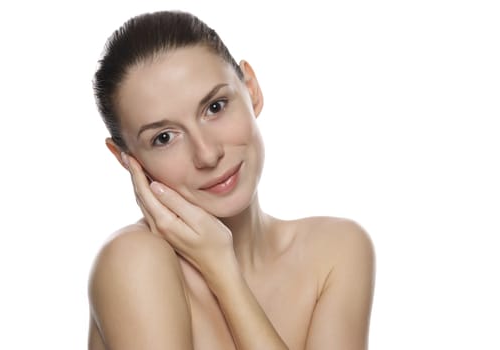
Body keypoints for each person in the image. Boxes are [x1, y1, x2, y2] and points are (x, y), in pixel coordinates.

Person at [88, 10, 375, 350]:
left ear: (251, 89)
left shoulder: (336, 250)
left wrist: (223, 272)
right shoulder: (134, 262)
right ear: (126, 159)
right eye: (164, 137)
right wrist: (220, 267)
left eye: (215, 106)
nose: (207, 155)